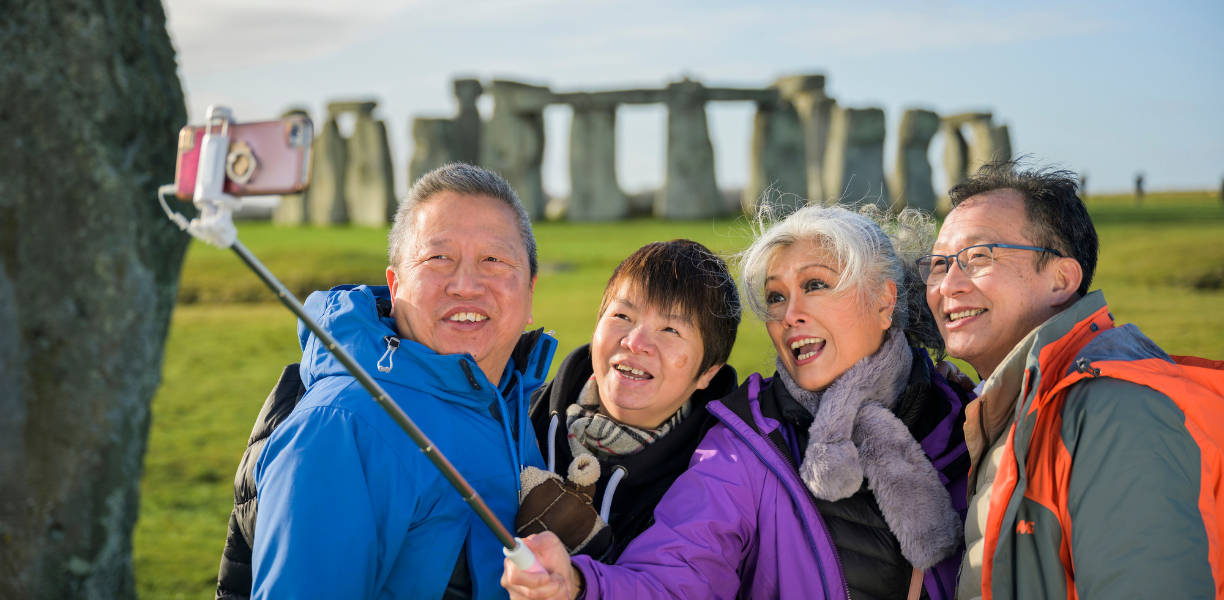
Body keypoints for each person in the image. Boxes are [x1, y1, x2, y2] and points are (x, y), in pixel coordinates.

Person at [504, 204, 972, 600]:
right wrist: (585, 586)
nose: (790, 315)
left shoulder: (973, 419)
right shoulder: (743, 446)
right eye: (775, 296)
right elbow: (677, 576)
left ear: (884, 299)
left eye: (815, 285)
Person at [248, 163, 556, 599]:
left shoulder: (515, 404)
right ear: (394, 287)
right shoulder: (344, 426)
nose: (466, 285)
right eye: (438, 258)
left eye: (494, 260)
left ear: (529, 293)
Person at [924, 161, 1224, 600]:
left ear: (1062, 279)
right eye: (937, 264)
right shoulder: (1010, 406)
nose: (948, 284)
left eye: (977, 257)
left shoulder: (1116, 411)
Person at [517, 240, 740, 563]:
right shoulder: (521, 417)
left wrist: (596, 555)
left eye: (670, 329)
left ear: (708, 371)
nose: (635, 342)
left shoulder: (717, 481)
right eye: (622, 315)